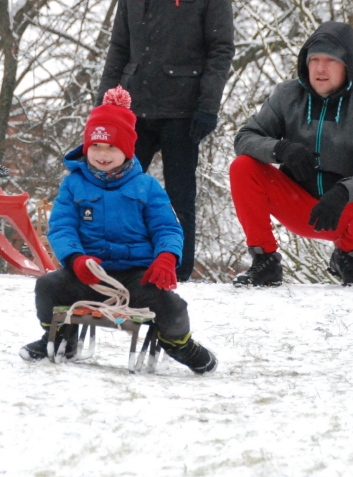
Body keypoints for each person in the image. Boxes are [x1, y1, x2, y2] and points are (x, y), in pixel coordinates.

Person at [20, 86, 218, 374]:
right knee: (47, 287)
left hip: (135, 276)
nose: (102, 154)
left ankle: (180, 343)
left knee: (171, 305)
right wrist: (75, 259)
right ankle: (61, 336)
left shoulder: (146, 187)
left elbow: (168, 227)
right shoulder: (73, 185)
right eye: (96, 146)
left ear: (126, 149)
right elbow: (62, 227)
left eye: (111, 147)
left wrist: (166, 257)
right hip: (88, 273)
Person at [97, 0, 235, 282]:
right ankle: (117, 264)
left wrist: (207, 105)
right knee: (117, 189)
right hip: (132, 107)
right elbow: (119, 48)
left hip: (183, 108)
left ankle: (179, 270)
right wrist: (102, 107)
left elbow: (220, 49)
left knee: (178, 197)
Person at [230, 21, 353, 287]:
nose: (320, 68)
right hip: (294, 201)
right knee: (243, 166)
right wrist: (280, 149)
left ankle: (347, 258)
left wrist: (345, 190)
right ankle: (265, 262)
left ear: (348, 66)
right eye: (314, 60)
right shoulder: (287, 95)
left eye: (331, 60)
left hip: (343, 209)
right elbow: (245, 138)